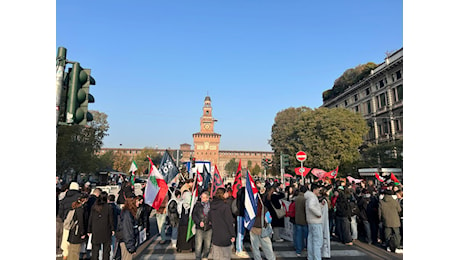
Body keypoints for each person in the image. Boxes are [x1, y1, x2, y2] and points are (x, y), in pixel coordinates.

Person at [209, 187, 235, 259]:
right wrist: (232, 234)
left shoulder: (212, 205)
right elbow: (229, 222)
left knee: (217, 256)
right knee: (225, 256)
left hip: (216, 235)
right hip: (225, 235)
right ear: (223, 194)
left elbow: (209, 219)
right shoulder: (225, 207)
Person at [88, 191, 114, 260]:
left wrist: (89, 230)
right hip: (106, 230)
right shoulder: (108, 207)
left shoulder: (94, 207)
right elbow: (111, 219)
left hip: (95, 230)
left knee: (95, 251)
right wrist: (112, 229)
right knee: (106, 251)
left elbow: (91, 219)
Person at [249, 194, 276, 260]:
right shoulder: (264, 209)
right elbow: (268, 220)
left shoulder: (251, 209)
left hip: (253, 229)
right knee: (267, 248)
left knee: (255, 248)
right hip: (262, 229)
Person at [59, 182, 81, 260]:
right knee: (72, 243)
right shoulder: (79, 197)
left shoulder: (65, 197)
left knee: (65, 241)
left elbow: (60, 211)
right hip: (75, 222)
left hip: (66, 222)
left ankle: (64, 256)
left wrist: (63, 218)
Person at [305, 183, 323, 260]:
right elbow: (311, 206)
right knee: (317, 242)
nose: (319, 191)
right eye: (318, 190)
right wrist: (318, 214)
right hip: (316, 221)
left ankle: (311, 257)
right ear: (314, 190)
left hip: (310, 221)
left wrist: (320, 205)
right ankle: (317, 257)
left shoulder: (309, 197)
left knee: (311, 241)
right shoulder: (312, 197)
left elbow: (312, 206)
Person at [192, 191, 212, 260]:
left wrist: (210, 222)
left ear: (207, 198)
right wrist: (198, 222)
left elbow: (213, 216)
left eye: (204, 198)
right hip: (199, 228)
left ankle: (205, 256)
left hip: (209, 228)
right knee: (198, 245)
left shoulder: (211, 206)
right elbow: (194, 215)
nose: (202, 199)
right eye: (202, 197)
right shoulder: (197, 205)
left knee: (208, 245)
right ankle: (198, 257)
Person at [67, 196, 88, 260]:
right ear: (84, 200)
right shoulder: (80, 209)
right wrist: (82, 233)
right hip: (77, 232)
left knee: (71, 250)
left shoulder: (75, 207)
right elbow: (81, 221)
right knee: (75, 251)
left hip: (72, 231)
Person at [294, 185, 308, 257]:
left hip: (297, 219)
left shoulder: (296, 198)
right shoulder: (305, 199)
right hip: (304, 219)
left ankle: (298, 250)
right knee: (307, 235)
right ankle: (306, 247)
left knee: (298, 236)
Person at [108, 194, 121, 260]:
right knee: (114, 243)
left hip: (107, 227)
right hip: (115, 227)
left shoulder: (106, 207)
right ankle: (112, 256)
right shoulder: (116, 208)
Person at [319, 188, 331, 259]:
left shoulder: (323, 201)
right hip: (324, 220)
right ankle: (325, 252)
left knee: (323, 236)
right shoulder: (326, 201)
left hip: (322, 221)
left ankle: (324, 252)